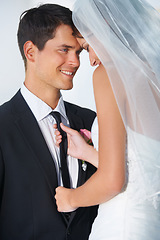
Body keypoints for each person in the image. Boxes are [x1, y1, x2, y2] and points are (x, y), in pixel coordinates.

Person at [54, 0, 160, 239]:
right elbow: (145, 169)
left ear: (103, 25)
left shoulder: (108, 75)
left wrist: (70, 198)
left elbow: (114, 182)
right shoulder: (154, 75)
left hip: (122, 226)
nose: (90, 60)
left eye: (87, 45)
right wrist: (87, 153)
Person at [0, 4, 98, 240]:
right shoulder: (2, 126)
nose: (75, 62)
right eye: (64, 50)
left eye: (78, 52)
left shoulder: (91, 121)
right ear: (31, 52)